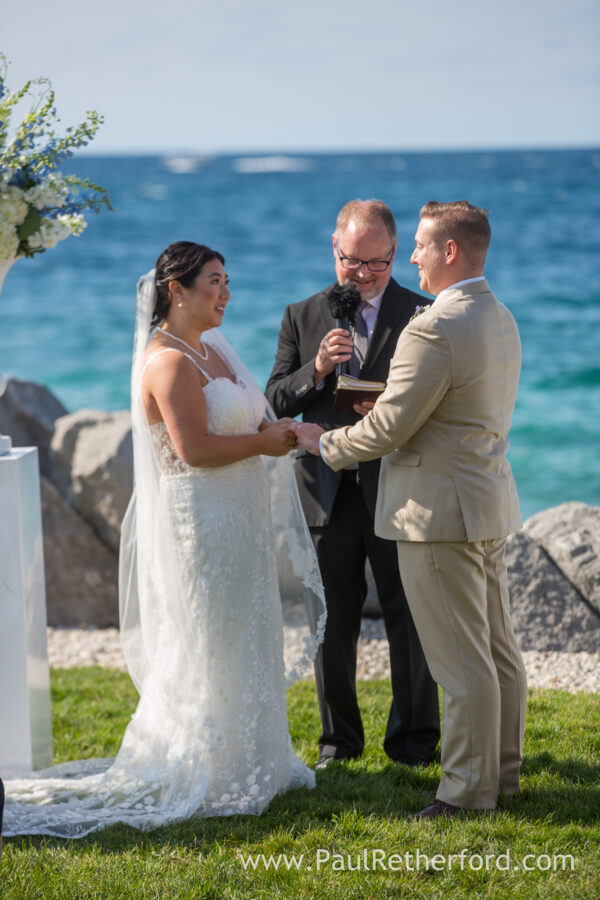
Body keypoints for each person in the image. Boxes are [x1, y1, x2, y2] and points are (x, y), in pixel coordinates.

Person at [2, 242, 326, 838]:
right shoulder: (168, 362)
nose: (226, 293)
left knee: (247, 631)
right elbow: (193, 449)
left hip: (240, 517)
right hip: (202, 522)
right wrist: (263, 444)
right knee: (211, 638)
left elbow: (248, 417)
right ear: (176, 289)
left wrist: (278, 429)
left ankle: (256, 760)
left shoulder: (214, 349)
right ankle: (212, 768)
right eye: (214, 282)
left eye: (227, 281)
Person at [294, 201, 528, 818]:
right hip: (486, 500)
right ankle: (503, 775)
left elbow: (390, 428)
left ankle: (465, 792)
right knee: (497, 651)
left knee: (460, 661)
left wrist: (325, 444)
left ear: (450, 250)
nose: (414, 257)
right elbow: (456, 411)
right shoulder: (499, 315)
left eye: (421, 246)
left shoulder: (432, 326)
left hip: (437, 512)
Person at [266, 200, 440, 770]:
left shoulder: (424, 313)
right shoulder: (301, 315)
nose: (362, 274)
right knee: (330, 622)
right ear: (333, 248)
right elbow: (275, 400)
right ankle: (338, 743)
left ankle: (414, 742)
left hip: (399, 484)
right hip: (325, 489)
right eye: (351, 261)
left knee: (408, 615)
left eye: (377, 263)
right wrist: (316, 368)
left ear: (395, 254)